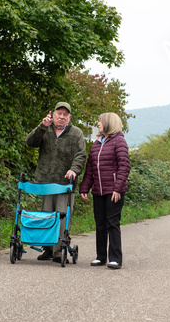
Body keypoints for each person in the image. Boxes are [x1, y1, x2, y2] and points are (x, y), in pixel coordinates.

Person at [26, 102, 87, 263]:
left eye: (65, 114)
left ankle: (59, 251)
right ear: (53, 115)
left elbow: (81, 155)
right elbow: (30, 142)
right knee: (46, 216)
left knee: (62, 217)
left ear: (69, 118)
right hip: (45, 182)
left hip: (65, 184)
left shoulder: (76, 133)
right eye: (59, 113)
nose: (61, 117)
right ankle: (47, 248)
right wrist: (41, 127)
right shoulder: (45, 129)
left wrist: (74, 169)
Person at [79, 112, 130, 269]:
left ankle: (115, 258)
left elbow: (124, 167)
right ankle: (101, 257)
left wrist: (117, 189)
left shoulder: (119, 141)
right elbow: (90, 169)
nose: (98, 123)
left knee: (112, 223)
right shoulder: (96, 143)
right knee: (100, 224)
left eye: (100, 121)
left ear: (108, 123)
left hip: (114, 191)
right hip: (98, 192)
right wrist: (85, 187)